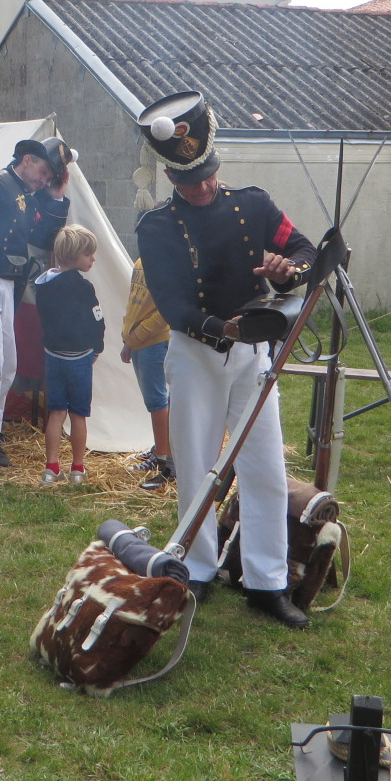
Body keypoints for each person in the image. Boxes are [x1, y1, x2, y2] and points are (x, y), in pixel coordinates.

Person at [135, 90, 317, 627]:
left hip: (255, 353)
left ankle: (267, 580)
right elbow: (172, 304)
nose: (204, 186)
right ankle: (197, 568)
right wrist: (222, 329)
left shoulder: (254, 204)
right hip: (197, 353)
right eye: (191, 181)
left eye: (208, 173)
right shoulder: (157, 227)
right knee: (196, 464)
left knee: (264, 466)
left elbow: (304, 249)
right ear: (171, 178)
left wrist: (289, 272)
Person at [0, 137, 72, 468]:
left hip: (9, 284)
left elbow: (41, 240)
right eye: (45, 170)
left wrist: (57, 197)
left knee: (7, 364)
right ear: (26, 159)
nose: (46, 179)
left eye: (52, 175)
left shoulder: (33, 197)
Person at [34, 225, 105, 486]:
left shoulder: (43, 285)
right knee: (78, 414)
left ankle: (51, 468)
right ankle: (77, 469)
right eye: (88, 255)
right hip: (80, 358)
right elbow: (97, 319)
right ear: (75, 256)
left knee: (55, 413)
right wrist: (97, 346)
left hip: (53, 356)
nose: (93, 259)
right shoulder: (84, 288)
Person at [119, 258, 174, 491]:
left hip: (154, 341)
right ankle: (161, 447)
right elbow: (135, 302)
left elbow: (166, 311)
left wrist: (139, 333)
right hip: (139, 341)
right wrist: (128, 340)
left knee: (156, 400)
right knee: (154, 399)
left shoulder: (167, 264)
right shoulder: (142, 261)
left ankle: (164, 459)